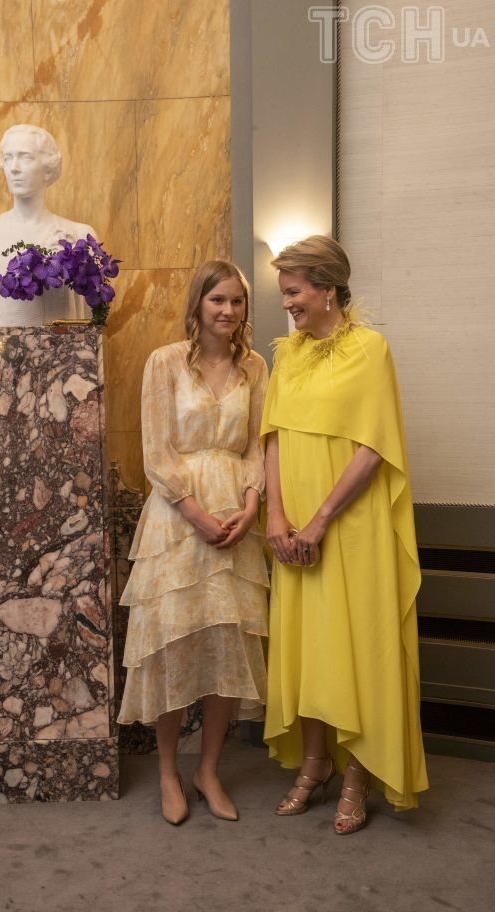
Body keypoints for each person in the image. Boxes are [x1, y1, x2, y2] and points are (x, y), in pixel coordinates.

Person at [261, 235, 428, 834]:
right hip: (292, 527)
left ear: (328, 288)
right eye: (284, 294)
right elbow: (273, 438)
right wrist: (276, 517)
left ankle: (358, 773)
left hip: (352, 528)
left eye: (294, 292)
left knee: (356, 645)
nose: (287, 304)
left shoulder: (370, 349)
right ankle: (315, 762)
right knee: (308, 646)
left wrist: (321, 520)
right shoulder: (286, 355)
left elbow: (374, 447)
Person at [117, 260, 269, 825]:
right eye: (217, 300)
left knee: (226, 645)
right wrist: (195, 512)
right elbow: (156, 450)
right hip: (178, 522)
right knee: (175, 646)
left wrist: (251, 504)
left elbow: (257, 446)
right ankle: (167, 772)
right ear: (198, 304)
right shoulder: (164, 362)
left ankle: (208, 769)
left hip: (236, 520)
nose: (227, 310)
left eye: (236, 301)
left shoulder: (255, 366)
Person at [0, 124, 97, 327]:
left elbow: (89, 325)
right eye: (8, 158)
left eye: (25, 157)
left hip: (59, 347)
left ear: (47, 167)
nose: (14, 168)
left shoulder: (79, 235)